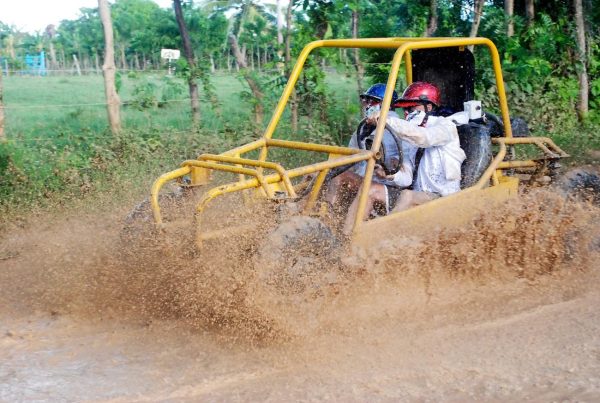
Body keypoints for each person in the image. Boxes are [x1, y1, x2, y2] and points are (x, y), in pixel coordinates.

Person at [343, 81, 466, 233]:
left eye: (412, 107)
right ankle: (347, 238)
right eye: (405, 108)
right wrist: (390, 175)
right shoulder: (409, 140)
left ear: (428, 107)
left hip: (444, 198)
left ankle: (382, 240)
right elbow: (407, 178)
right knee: (370, 189)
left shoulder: (446, 127)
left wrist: (385, 120)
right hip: (418, 195)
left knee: (407, 196)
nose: (407, 112)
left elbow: (424, 137)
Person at [324, 83, 415, 216]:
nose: (367, 105)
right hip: (364, 179)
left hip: (386, 186)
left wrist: (390, 174)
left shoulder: (400, 130)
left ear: (385, 105)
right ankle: (312, 213)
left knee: (341, 179)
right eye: (366, 101)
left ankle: (333, 221)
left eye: (372, 101)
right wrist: (330, 169)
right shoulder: (363, 127)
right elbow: (351, 157)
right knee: (325, 175)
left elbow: (407, 178)